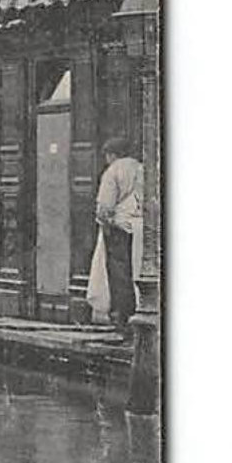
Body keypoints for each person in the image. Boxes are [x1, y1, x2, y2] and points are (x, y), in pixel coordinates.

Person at [95, 136, 145, 331]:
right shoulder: (141, 168)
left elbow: (105, 207)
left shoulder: (112, 171)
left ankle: (123, 317)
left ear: (111, 155)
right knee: (138, 270)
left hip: (119, 229)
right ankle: (139, 310)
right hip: (141, 227)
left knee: (119, 274)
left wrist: (104, 224)